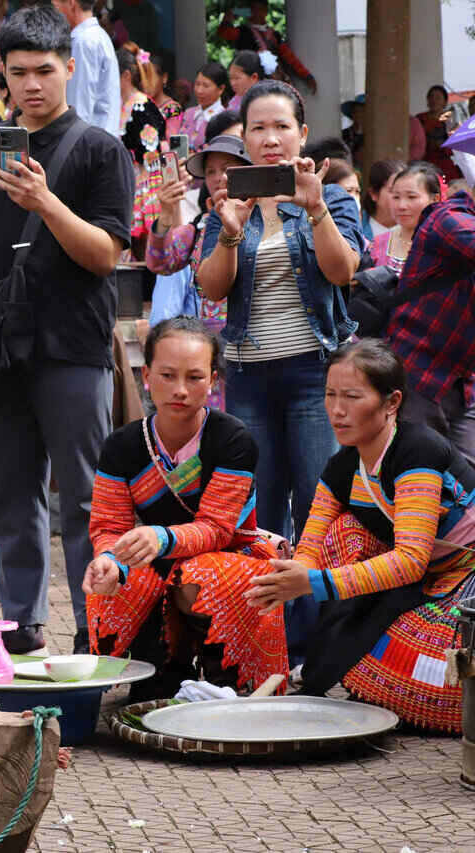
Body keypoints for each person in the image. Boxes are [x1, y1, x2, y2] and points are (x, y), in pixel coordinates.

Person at [0, 5, 134, 654]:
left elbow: (106, 254)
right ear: (3, 73)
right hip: (3, 349)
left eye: (46, 71)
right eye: (20, 72)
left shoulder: (98, 150)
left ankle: (97, 631)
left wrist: (45, 202)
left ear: (70, 68)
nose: (32, 85)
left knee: (86, 500)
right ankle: (20, 631)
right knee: (13, 492)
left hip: (74, 347)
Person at [197, 80, 362, 662]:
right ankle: (268, 649)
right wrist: (231, 230)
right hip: (248, 378)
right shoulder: (230, 205)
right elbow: (210, 288)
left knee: (321, 510)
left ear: (300, 133)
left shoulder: (332, 197)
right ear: (244, 138)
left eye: (281, 128)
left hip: (317, 377)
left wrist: (315, 207)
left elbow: (343, 273)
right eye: (258, 129)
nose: (270, 140)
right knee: (259, 516)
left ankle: (323, 652)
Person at [245, 341, 475, 732]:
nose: (337, 410)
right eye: (330, 395)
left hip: (463, 581)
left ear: (391, 402)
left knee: (441, 677)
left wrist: (312, 583)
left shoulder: (417, 451)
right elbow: (313, 546)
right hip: (420, 583)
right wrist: (286, 581)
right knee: (345, 532)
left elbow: (410, 560)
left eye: (352, 396)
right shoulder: (341, 468)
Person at [84, 317, 285, 701]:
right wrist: (108, 559)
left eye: (194, 377)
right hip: (161, 557)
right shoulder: (121, 445)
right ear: (147, 375)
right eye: (167, 375)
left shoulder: (233, 440)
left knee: (200, 574)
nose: (180, 390)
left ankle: (222, 672)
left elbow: (218, 529)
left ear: (213, 380)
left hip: (230, 558)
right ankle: (160, 667)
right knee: (114, 577)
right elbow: (108, 525)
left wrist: (161, 537)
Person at [147, 132, 250, 410]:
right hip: (212, 354)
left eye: (228, 169)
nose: (218, 178)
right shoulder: (200, 227)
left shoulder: (268, 223)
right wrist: (166, 213)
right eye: (211, 171)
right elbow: (160, 261)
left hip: (259, 351)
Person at [383, 176, 475, 465]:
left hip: (461, 380)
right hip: (421, 375)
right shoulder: (448, 218)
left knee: (464, 485)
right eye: (397, 196)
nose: (402, 205)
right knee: (417, 477)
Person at [117, 45, 165, 244]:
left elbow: (150, 151)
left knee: (144, 243)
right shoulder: (123, 104)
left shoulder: (142, 105)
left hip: (144, 179)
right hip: (129, 177)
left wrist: (141, 187)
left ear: (126, 76)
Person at [218, 0, 317, 94]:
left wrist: (306, 75)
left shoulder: (274, 35)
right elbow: (224, 32)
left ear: (265, 11)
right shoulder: (242, 32)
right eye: (253, 9)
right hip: (249, 84)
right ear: (248, 11)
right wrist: (232, 14)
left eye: (259, 9)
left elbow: (290, 57)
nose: (256, 12)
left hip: (272, 83)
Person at [53, 0, 120, 136]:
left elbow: (79, 106)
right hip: (102, 139)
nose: (55, 13)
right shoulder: (98, 36)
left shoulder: (83, 41)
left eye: (55, 6)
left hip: (88, 143)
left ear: (72, 3)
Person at [368, 162, 440, 276]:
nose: (402, 206)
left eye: (411, 197)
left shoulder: (446, 245)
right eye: (396, 197)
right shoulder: (377, 244)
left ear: (435, 199)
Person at [413, 85, 460, 183]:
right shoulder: (419, 119)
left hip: (445, 165)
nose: (434, 100)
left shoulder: (449, 120)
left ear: (445, 102)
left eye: (438, 97)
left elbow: (456, 145)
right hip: (424, 163)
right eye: (431, 97)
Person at [361, 158, 403, 238]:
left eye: (409, 195)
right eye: (394, 191)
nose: (402, 200)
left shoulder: (417, 232)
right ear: (374, 194)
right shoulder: (356, 227)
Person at [145, 49, 182, 138]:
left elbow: (171, 143)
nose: (148, 83)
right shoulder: (140, 105)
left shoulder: (173, 109)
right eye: (145, 77)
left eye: (153, 77)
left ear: (164, 78)